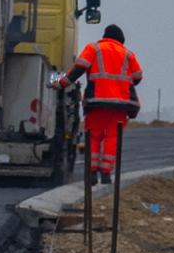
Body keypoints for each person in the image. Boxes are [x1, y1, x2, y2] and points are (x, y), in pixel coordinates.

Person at [54, 24, 143, 184]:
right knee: (112, 138)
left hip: (96, 103)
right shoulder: (128, 54)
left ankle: (92, 174)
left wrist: (61, 84)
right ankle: (106, 174)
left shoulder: (93, 49)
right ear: (121, 40)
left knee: (93, 136)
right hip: (120, 106)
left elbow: (78, 70)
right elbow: (137, 77)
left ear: (104, 36)